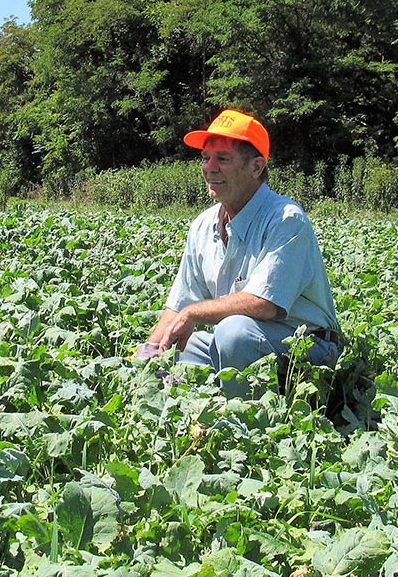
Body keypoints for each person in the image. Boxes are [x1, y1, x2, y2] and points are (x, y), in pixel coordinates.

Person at [140, 109, 341, 395]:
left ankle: (243, 427)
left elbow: (264, 304)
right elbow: (180, 302)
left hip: (306, 346)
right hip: (246, 341)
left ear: (256, 167)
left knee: (233, 332)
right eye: (205, 158)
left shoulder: (285, 219)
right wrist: (148, 354)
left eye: (222, 159)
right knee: (179, 351)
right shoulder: (203, 224)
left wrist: (192, 314)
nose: (209, 167)